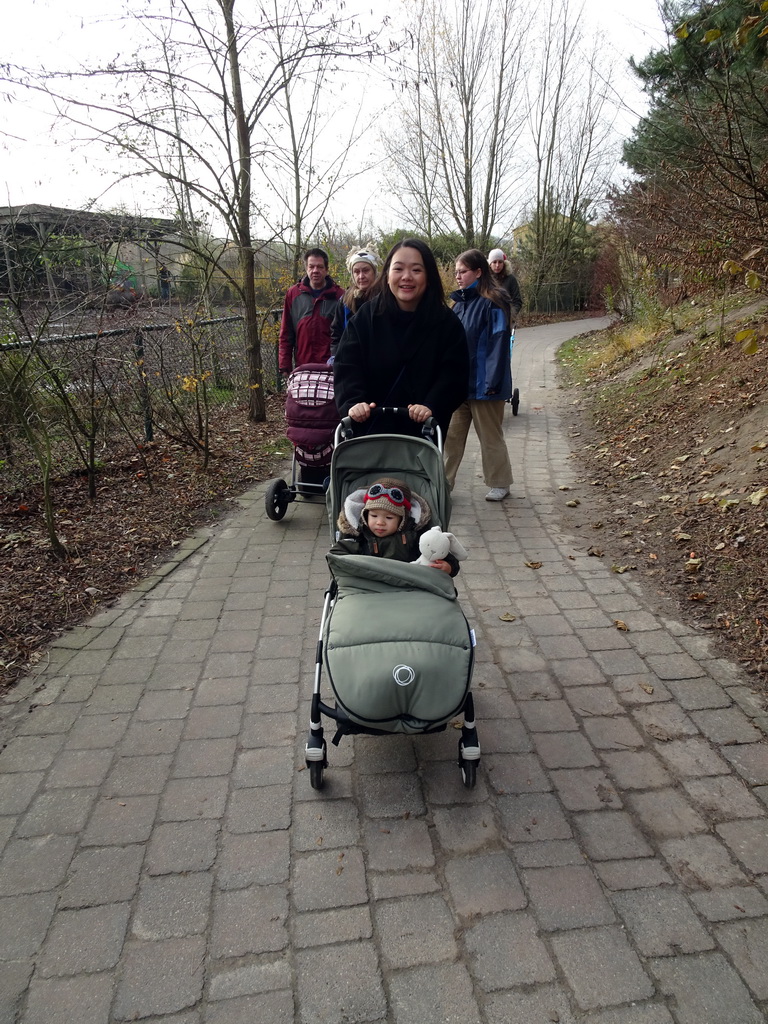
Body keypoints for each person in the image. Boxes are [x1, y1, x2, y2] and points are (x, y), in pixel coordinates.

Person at [333, 238, 469, 438]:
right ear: (387, 275)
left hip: (421, 434)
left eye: (416, 270)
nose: (407, 277)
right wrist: (353, 403)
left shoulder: (446, 323)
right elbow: (346, 365)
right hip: (370, 434)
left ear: (428, 276)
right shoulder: (365, 318)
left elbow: (455, 374)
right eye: (398, 269)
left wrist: (432, 405)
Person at [444, 249, 514, 501]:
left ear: (478, 272)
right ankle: (443, 484)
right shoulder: (459, 304)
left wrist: (492, 382)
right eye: (456, 272)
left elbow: (499, 340)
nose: (458, 277)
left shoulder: (494, 301)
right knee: (451, 437)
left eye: (462, 271)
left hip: (486, 385)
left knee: (489, 437)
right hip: (460, 385)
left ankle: (500, 482)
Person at [330, 478, 459, 576]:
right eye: (374, 516)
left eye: (389, 518)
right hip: (370, 587)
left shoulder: (415, 536)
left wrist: (449, 567)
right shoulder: (359, 537)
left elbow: (440, 552)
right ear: (365, 515)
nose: (380, 522)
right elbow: (336, 556)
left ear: (402, 520)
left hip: (409, 587)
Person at [278, 248, 343, 376]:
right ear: (306, 268)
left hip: (331, 369)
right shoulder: (293, 294)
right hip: (303, 367)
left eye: (320, 267)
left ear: (326, 269)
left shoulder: (340, 296)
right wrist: (284, 364)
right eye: (311, 266)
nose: (315, 271)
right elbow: (286, 331)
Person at [330, 246, 379, 359]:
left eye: (366, 270)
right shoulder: (345, 300)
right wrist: (336, 356)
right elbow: (336, 333)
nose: (361, 276)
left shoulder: (386, 298)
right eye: (356, 272)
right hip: (350, 362)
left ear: (374, 271)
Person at [488, 248, 522, 323]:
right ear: (490, 264)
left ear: (504, 263)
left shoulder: (510, 279)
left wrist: (511, 315)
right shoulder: (485, 279)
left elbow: (517, 301)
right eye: (494, 262)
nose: (497, 265)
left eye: (500, 262)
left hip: (506, 320)